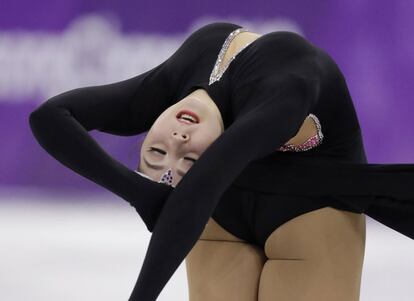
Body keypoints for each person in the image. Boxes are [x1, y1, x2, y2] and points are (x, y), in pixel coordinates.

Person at [28, 22, 414, 300]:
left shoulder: (275, 80)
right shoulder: (222, 146)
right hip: (218, 210)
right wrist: (144, 193)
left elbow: (50, 117)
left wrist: (143, 196)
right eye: (189, 160)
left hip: (310, 207)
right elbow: (198, 191)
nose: (177, 141)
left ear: (145, 131)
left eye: (158, 152)